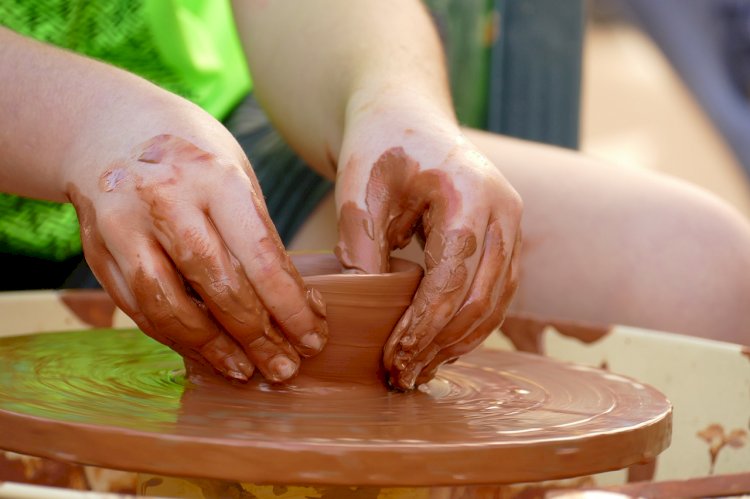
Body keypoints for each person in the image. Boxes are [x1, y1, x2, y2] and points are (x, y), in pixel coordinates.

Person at [1, 1, 749, 391]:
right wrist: (85, 126)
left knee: (696, 271)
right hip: (79, 132)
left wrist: (392, 102)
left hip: (195, 147)